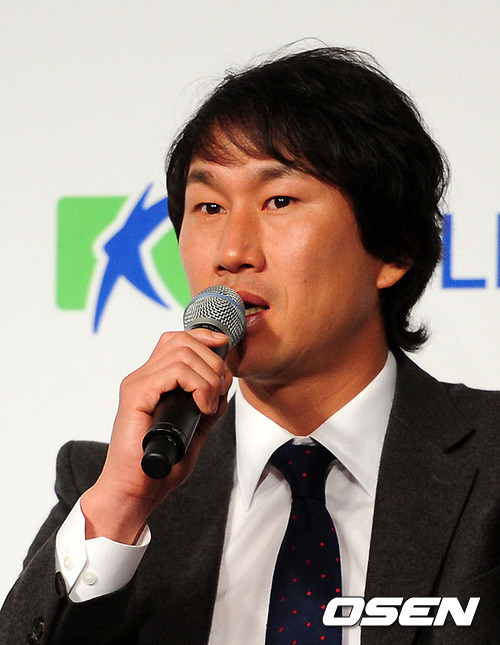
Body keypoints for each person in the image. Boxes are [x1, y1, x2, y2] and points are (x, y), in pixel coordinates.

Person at [1, 46, 500, 645]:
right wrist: (120, 508)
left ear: (394, 248)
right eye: (208, 206)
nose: (231, 252)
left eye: (279, 201)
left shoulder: (490, 464)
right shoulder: (108, 488)